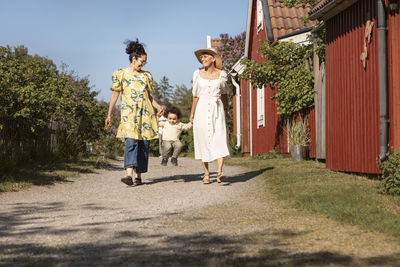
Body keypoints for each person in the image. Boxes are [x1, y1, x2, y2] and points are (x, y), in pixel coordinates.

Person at [105, 39, 165, 186]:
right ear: (134, 59)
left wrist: (158, 107)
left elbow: (149, 97)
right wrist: (109, 114)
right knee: (131, 142)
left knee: (143, 144)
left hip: (145, 115)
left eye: (145, 62)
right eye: (142, 61)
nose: (143, 64)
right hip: (129, 115)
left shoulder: (146, 76)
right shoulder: (120, 74)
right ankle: (129, 175)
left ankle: (138, 176)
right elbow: (115, 95)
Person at [190, 48, 230, 184]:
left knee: (219, 137)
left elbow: (224, 93)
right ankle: (206, 173)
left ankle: (220, 171)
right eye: (201, 58)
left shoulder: (222, 74)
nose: (203, 59)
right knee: (203, 140)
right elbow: (195, 95)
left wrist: (227, 108)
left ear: (213, 58)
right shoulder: (197, 74)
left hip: (217, 109)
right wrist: (192, 114)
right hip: (201, 108)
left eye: (205, 57)